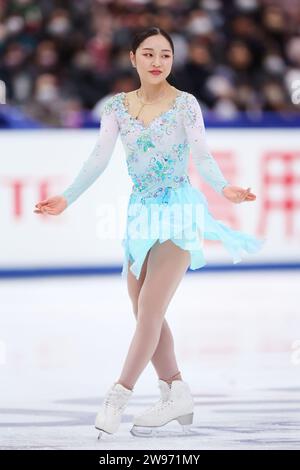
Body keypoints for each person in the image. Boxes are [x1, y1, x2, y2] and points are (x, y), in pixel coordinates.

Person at [34, 27, 265, 438]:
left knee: (151, 310)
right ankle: (176, 390)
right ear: (133, 58)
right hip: (140, 213)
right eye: (149, 54)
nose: (158, 62)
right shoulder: (118, 108)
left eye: (165, 55)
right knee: (143, 309)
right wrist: (67, 197)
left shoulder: (185, 105)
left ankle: (118, 395)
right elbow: (97, 160)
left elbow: (203, 155)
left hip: (177, 208)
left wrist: (224, 188)